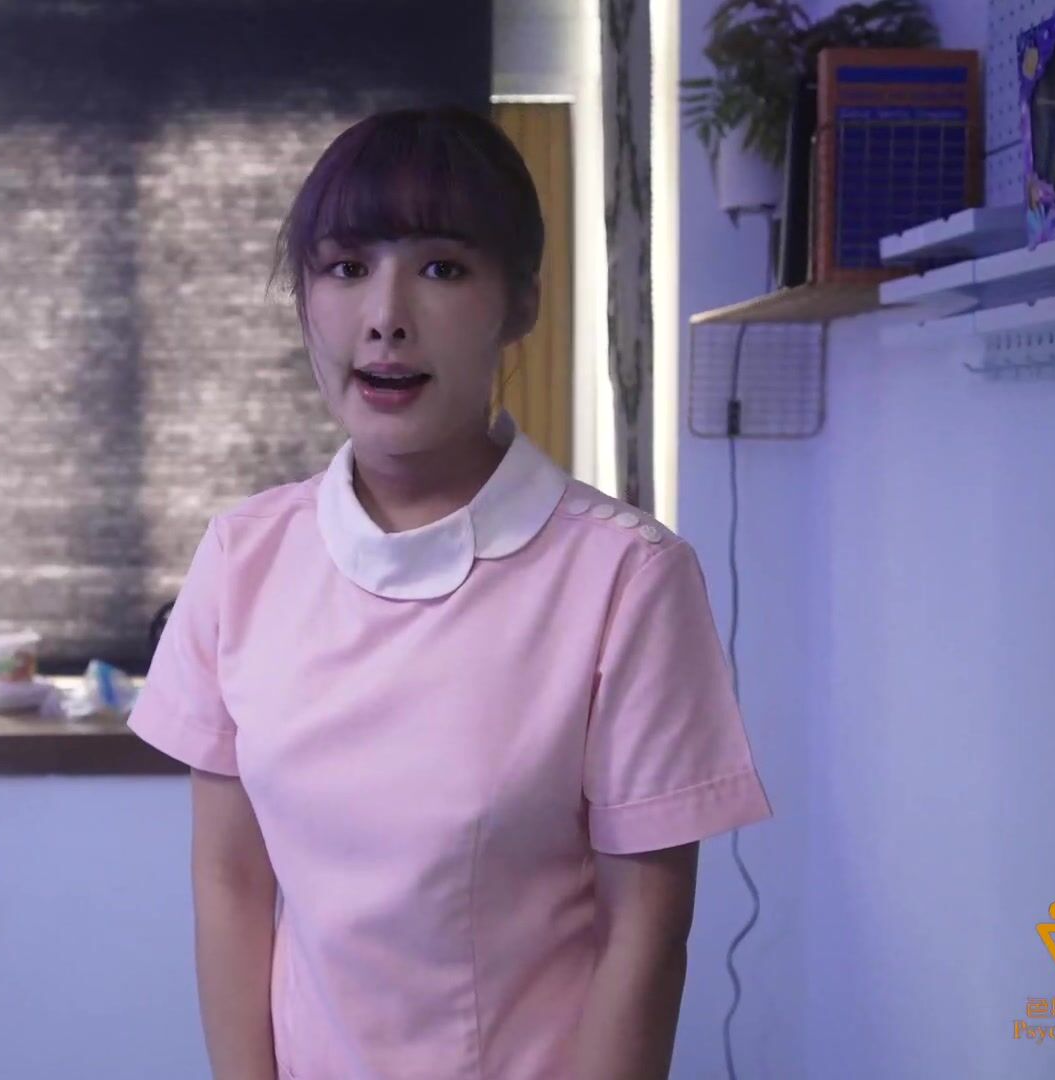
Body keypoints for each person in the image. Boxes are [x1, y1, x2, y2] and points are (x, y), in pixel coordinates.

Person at [127, 104, 774, 1080]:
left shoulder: (626, 579)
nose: (386, 315)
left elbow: (644, 931)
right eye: (346, 267)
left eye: (441, 268)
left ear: (521, 303)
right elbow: (231, 882)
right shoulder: (242, 559)